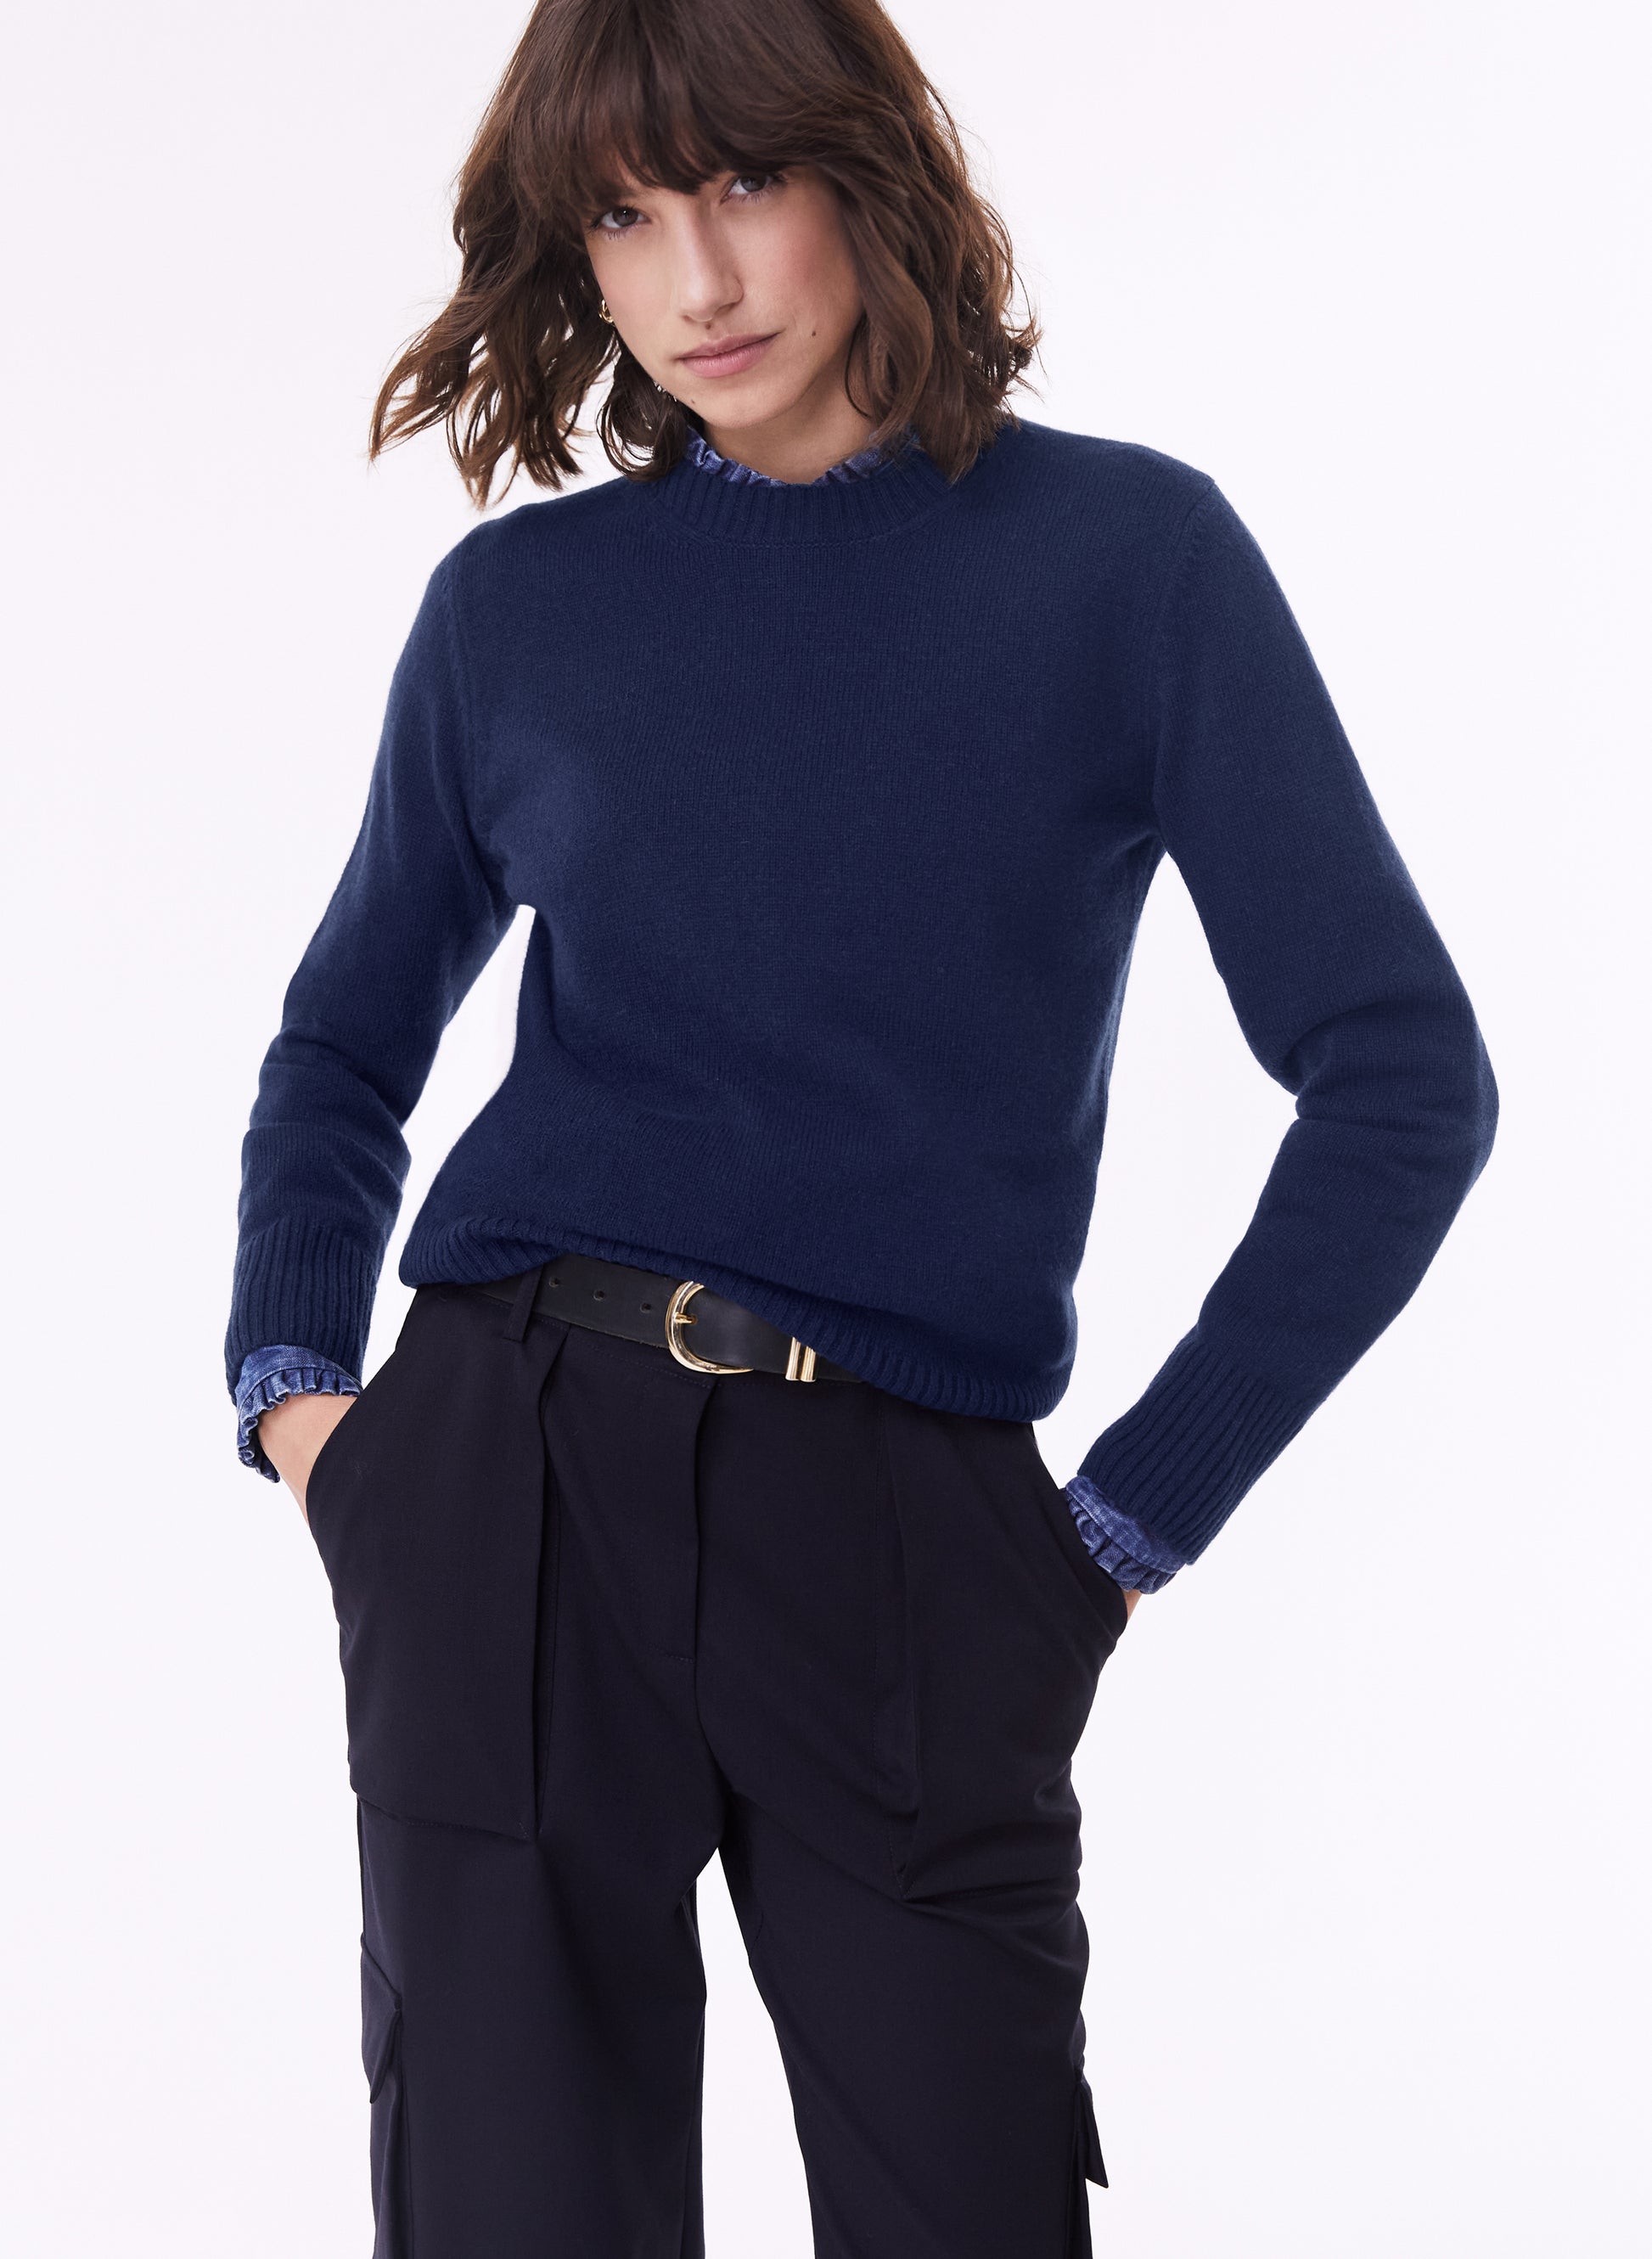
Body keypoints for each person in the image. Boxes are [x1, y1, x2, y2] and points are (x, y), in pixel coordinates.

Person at [224, 2, 1498, 2251]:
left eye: (743, 184)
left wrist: (1123, 1523)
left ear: (867, 174)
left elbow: (1402, 1081)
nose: (697, 280)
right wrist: (309, 1412)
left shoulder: (1128, 565)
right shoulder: (519, 613)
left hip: (912, 1538)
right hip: (510, 1489)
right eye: (625, 219)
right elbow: (341, 1052)